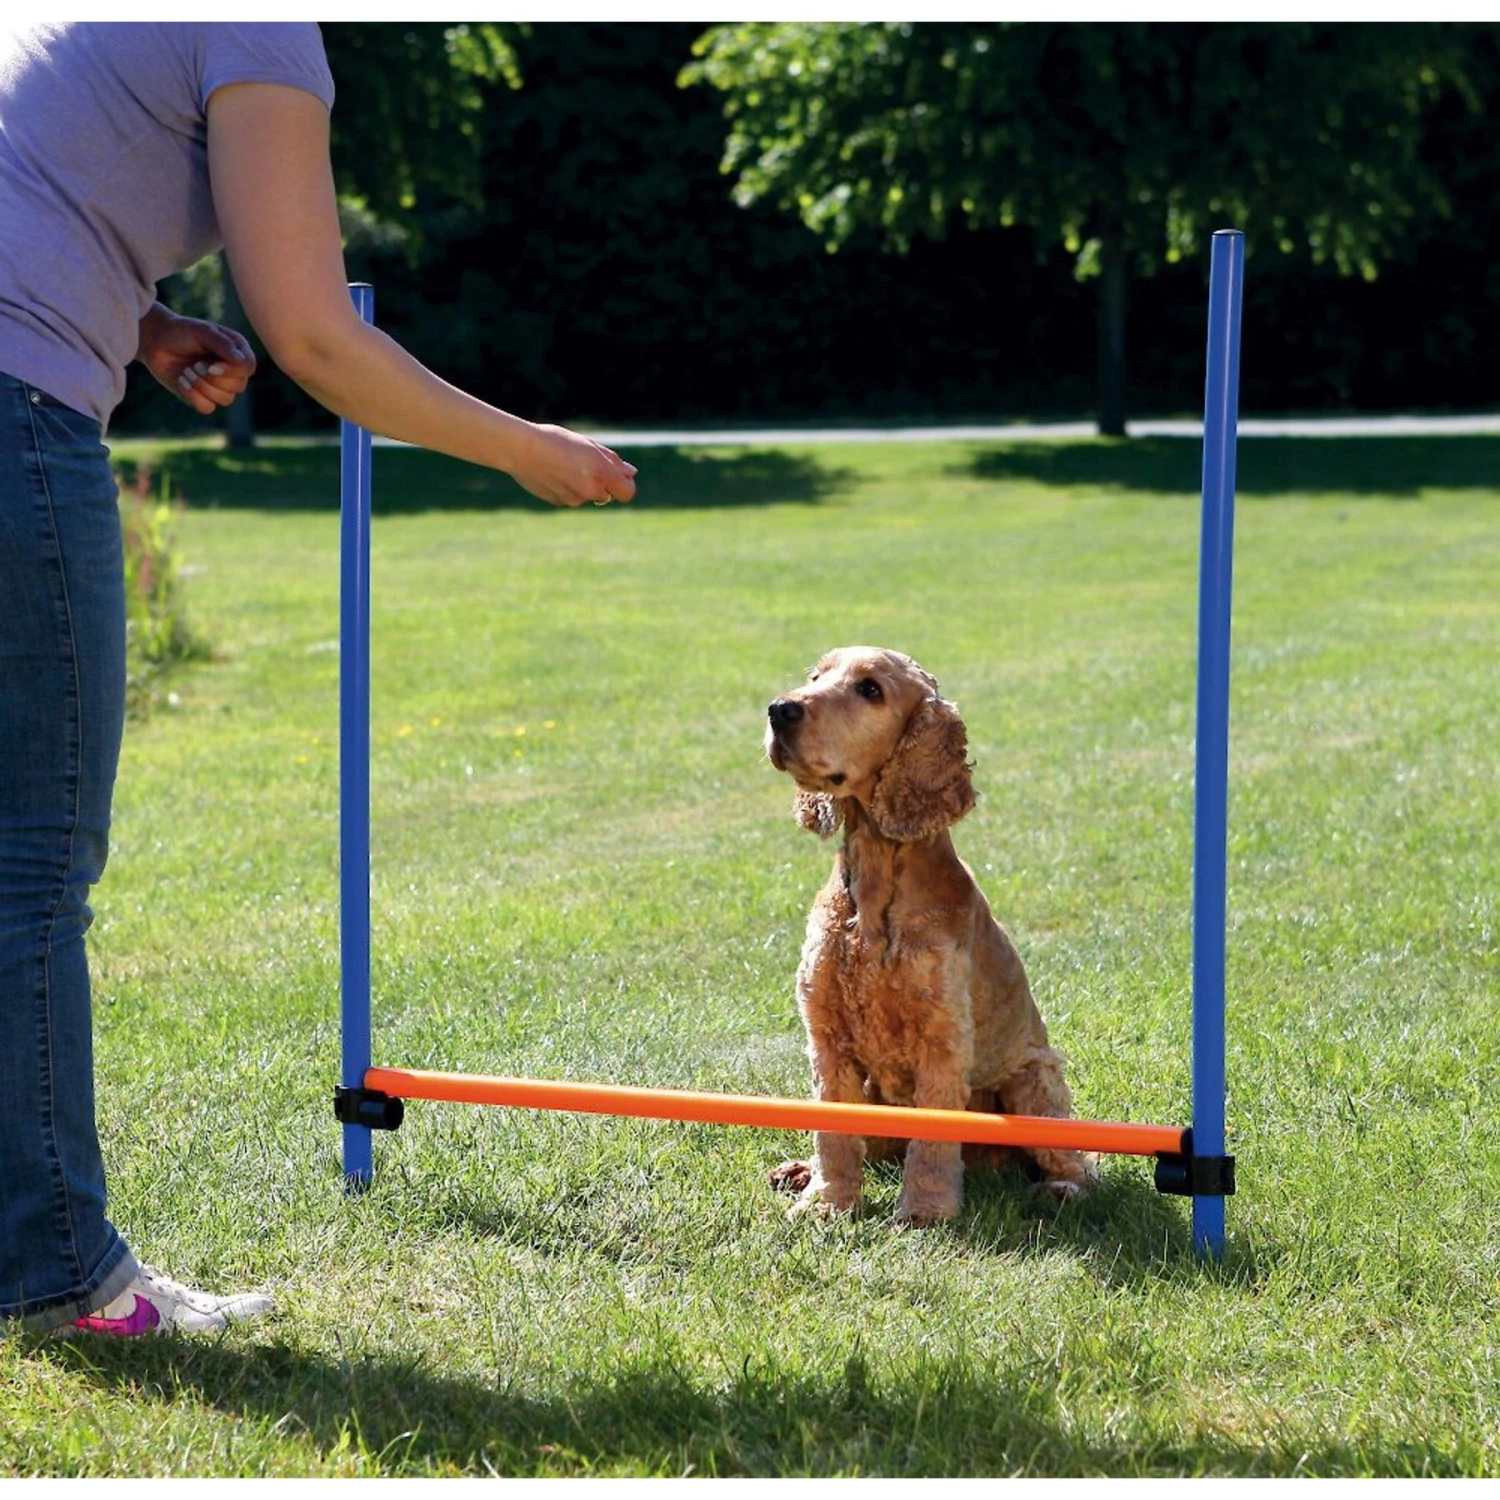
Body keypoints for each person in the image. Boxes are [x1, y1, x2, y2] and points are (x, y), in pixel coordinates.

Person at [0, 22, 637, 1337]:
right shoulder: (256, 27)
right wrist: (522, 448)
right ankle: (65, 1282)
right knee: (28, 866)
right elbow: (315, 336)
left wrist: (147, 322)